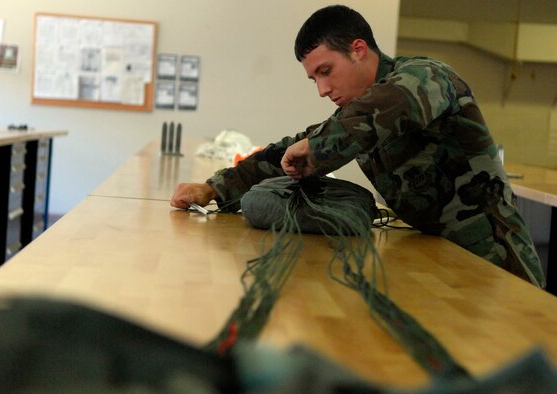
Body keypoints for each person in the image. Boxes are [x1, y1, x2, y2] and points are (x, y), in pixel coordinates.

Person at [171, 5, 545, 288]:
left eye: (326, 71)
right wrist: (214, 188)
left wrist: (315, 149)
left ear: (359, 49)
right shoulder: (354, 114)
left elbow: (382, 111)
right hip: (436, 258)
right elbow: (291, 151)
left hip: (496, 263)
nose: (322, 89)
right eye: (313, 78)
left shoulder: (426, 77)